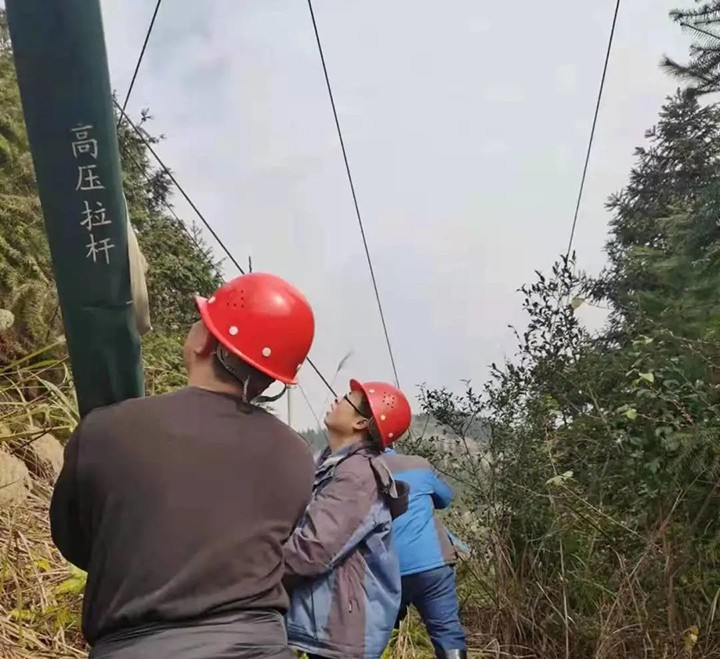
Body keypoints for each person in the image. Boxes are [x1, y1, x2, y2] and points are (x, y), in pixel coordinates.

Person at [50, 272, 317, 659]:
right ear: (270, 381)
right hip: (264, 646)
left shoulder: (106, 428)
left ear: (205, 340)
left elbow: (74, 540)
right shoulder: (297, 455)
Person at [283, 380, 411, 659]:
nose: (336, 400)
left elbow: (313, 549)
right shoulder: (331, 464)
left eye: (345, 399)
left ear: (362, 423)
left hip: (341, 623)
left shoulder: (356, 476)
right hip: (327, 617)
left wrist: (251, 573)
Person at [382, 449, 468, 659]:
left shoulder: (353, 469)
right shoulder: (417, 464)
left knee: (378, 634)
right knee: (447, 632)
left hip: (384, 570)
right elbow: (445, 498)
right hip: (432, 563)